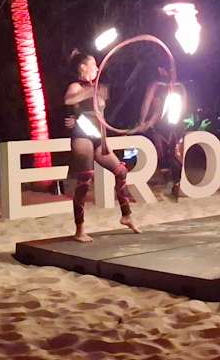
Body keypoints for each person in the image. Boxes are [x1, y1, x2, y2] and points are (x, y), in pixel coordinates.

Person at [62, 51, 139, 242]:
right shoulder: (76, 86)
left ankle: (126, 215)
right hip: (82, 137)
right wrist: (92, 91)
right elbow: (68, 100)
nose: (97, 68)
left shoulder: (97, 87)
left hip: (99, 138)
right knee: (85, 180)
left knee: (121, 171)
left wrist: (105, 143)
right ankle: (79, 229)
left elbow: (100, 118)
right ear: (83, 67)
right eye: (93, 65)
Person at [140, 66, 186, 200]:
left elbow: (184, 106)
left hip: (173, 125)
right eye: (169, 69)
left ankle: (174, 184)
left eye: (173, 69)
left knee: (175, 154)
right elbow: (147, 104)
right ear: (161, 70)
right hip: (161, 125)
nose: (172, 72)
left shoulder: (179, 86)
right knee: (164, 154)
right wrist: (143, 121)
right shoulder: (156, 85)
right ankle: (171, 183)